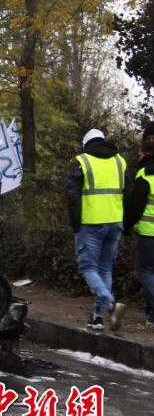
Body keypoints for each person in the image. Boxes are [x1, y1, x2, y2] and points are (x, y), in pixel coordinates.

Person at [66, 128, 127, 331]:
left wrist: (75, 223)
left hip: (91, 223)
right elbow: (127, 191)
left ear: (86, 145)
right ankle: (97, 318)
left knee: (88, 267)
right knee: (105, 269)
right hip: (115, 221)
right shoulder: (120, 161)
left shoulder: (81, 161)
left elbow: (72, 195)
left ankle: (111, 305)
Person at [124, 124, 154, 328]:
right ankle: (151, 315)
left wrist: (126, 226)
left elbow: (135, 207)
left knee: (145, 271)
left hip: (149, 234)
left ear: (144, 152)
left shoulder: (144, 175)